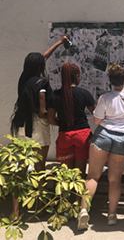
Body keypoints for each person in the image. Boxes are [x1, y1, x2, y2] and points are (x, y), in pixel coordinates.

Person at [77, 62, 124, 230]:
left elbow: (97, 120)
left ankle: (84, 211)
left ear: (111, 80)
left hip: (103, 136)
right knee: (115, 179)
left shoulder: (105, 98)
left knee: (92, 176)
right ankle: (112, 215)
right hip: (122, 139)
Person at [10, 34, 69, 217]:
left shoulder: (23, 80)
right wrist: (58, 120)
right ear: (40, 68)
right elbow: (43, 112)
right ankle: (39, 207)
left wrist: (58, 43)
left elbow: (41, 58)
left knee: (20, 168)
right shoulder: (42, 84)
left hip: (21, 126)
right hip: (38, 126)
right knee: (39, 167)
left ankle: (16, 210)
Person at [47, 63, 96, 177]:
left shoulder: (55, 95)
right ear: (77, 76)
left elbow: (50, 119)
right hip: (82, 136)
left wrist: (61, 122)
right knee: (79, 175)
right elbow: (96, 113)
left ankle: (65, 194)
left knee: (66, 176)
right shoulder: (84, 93)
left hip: (64, 135)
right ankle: (79, 195)